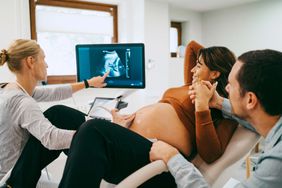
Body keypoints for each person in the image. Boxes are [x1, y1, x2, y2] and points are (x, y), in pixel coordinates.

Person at [58, 41, 238, 188]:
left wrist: (202, 106)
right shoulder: (188, 85)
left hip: (154, 158)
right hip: (130, 139)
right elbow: (191, 46)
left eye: (198, 66)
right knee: (60, 114)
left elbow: (210, 154)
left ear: (215, 73)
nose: (192, 70)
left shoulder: (222, 110)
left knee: (93, 129)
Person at [150, 49, 282, 188]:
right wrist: (219, 102)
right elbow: (253, 120)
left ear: (250, 100)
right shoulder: (272, 121)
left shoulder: (276, 162)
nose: (226, 88)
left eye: (231, 84)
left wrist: (172, 158)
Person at [0, 39, 109, 187]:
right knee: (61, 116)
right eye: (43, 58)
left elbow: (53, 92)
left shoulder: (8, 89)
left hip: (11, 171)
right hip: (12, 181)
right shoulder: (22, 102)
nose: (46, 64)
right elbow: (51, 139)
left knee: (58, 113)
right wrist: (92, 135)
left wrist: (88, 83)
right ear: (31, 61)